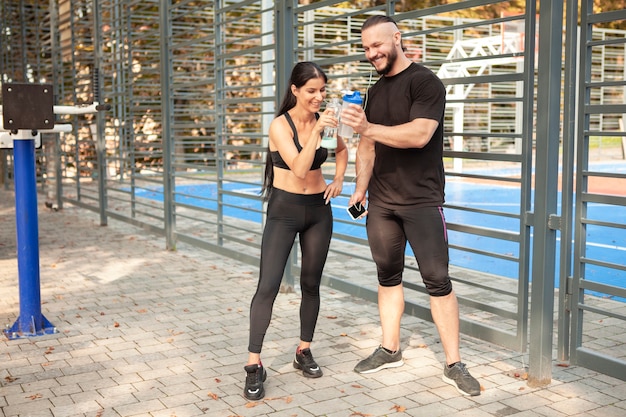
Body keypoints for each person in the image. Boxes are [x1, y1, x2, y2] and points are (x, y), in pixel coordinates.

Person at [341, 15, 481, 396]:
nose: (371, 54)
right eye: (366, 48)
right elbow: (367, 147)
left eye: (377, 45)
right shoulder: (372, 92)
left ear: (397, 38)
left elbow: (420, 134)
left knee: (438, 281)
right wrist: (360, 188)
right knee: (387, 276)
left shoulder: (425, 82)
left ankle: (454, 363)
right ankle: (390, 348)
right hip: (382, 203)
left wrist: (366, 128)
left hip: (422, 201)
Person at [244, 61, 348, 401]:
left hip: (319, 211)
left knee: (311, 284)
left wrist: (339, 179)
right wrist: (318, 133)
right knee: (269, 285)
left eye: (322, 91)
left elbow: (343, 150)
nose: (319, 97)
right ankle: (254, 364)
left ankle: (303, 350)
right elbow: (301, 169)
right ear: (295, 90)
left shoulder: (325, 122)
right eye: (312, 91)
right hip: (284, 212)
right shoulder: (279, 126)